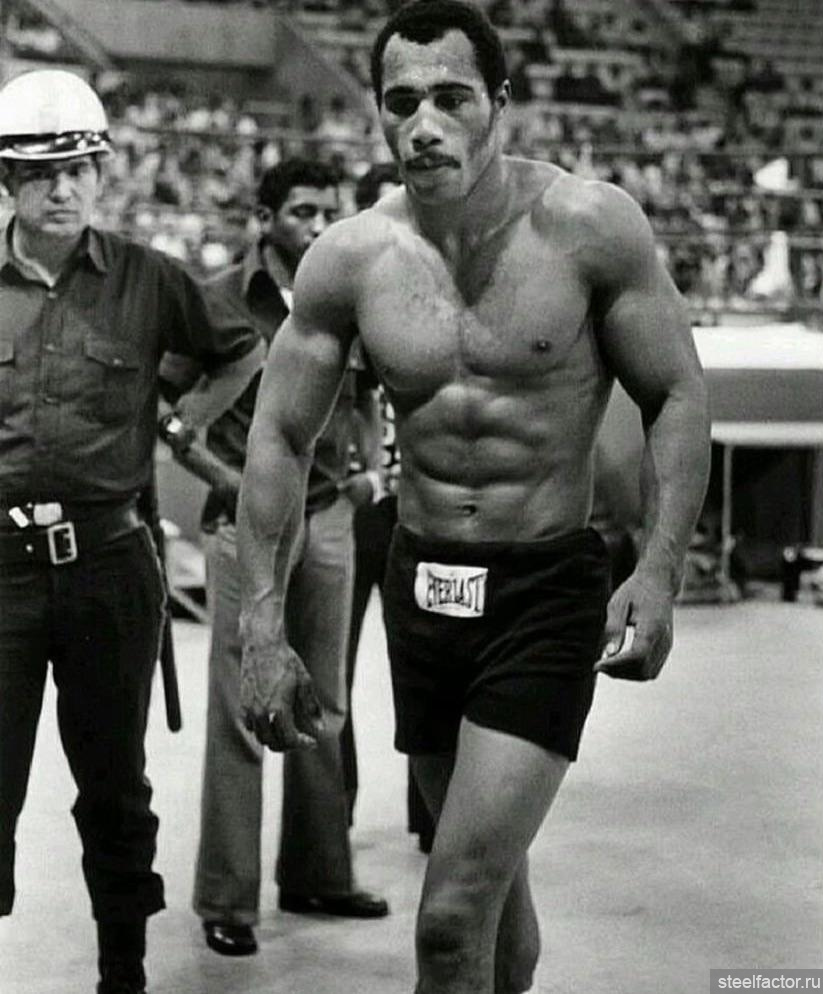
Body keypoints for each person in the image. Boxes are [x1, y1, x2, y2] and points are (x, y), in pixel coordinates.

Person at [235, 2, 711, 992]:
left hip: (544, 594)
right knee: (491, 910)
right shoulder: (351, 258)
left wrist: (659, 572)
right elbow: (278, 435)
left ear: (500, 102)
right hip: (423, 595)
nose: (423, 125)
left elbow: (674, 393)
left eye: (451, 98)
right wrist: (261, 625)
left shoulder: (589, 227)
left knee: (449, 922)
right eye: (401, 102)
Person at [0, 69, 264, 994]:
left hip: (111, 565)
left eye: (79, 168)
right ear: (7, 180)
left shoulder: (148, 279)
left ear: (102, 172)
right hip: (0, 571)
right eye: (41, 173)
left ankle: (124, 972)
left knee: (115, 785)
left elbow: (241, 349)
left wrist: (182, 424)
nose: (62, 188)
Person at [179, 159, 388, 960]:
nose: (318, 225)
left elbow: (364, 394)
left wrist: (370, 472)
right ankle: (226, 898)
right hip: (245, 528)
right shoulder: (218, 300)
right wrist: (226, 481)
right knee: (241, 707)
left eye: (328, 211)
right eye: (302, 211)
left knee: (325, 701)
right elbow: (168, 407)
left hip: (328, 512)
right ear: (264, 219)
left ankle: (319, 874)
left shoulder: (344, 291)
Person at [341, 160, 436, 852]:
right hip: (356, 507)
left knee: (431, 662)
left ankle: (435, 817)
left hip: (424, 506)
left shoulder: (446, 293)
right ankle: (332, 816)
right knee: (331, 669)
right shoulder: (343, 294)